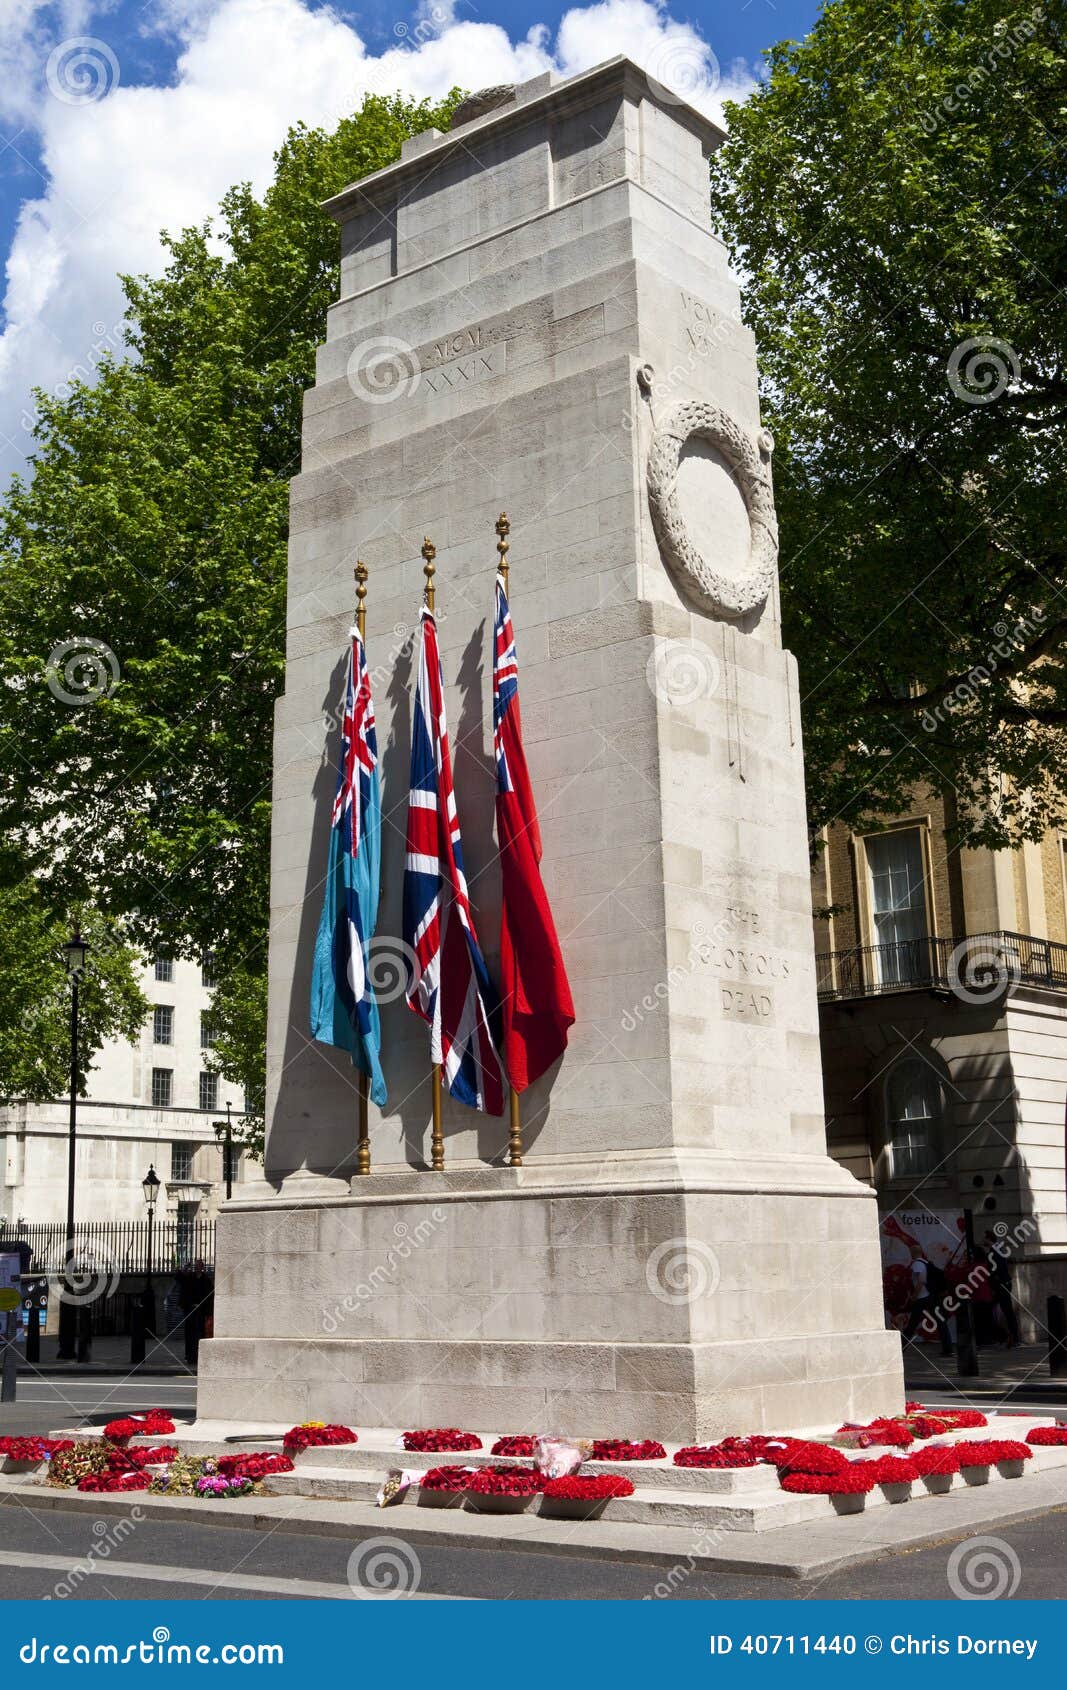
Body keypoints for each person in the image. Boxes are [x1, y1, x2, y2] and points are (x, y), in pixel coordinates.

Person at [902, 1244, 952, 1355]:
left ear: (912, 1253)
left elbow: (921, 1281)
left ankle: (901, 1347)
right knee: (941, 1322)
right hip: (932, 1297)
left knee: (912, 1325)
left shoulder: (917, 1265)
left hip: (922, 1298)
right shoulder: (927, 1263)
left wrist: (914, 1295)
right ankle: (948, 1349)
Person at [984, 1230, 1021, 1348]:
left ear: (989, 1239)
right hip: (1002, 1285)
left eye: (984, 1239)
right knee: (1001, 1312)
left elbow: (997, 1270)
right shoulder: (998, 1249)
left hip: (1001, 1286)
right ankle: (1007, 1337)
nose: (982, 1241)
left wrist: (994, 1285)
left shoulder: (995, 1251)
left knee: (1006, 1312)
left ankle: (1011, 1338)